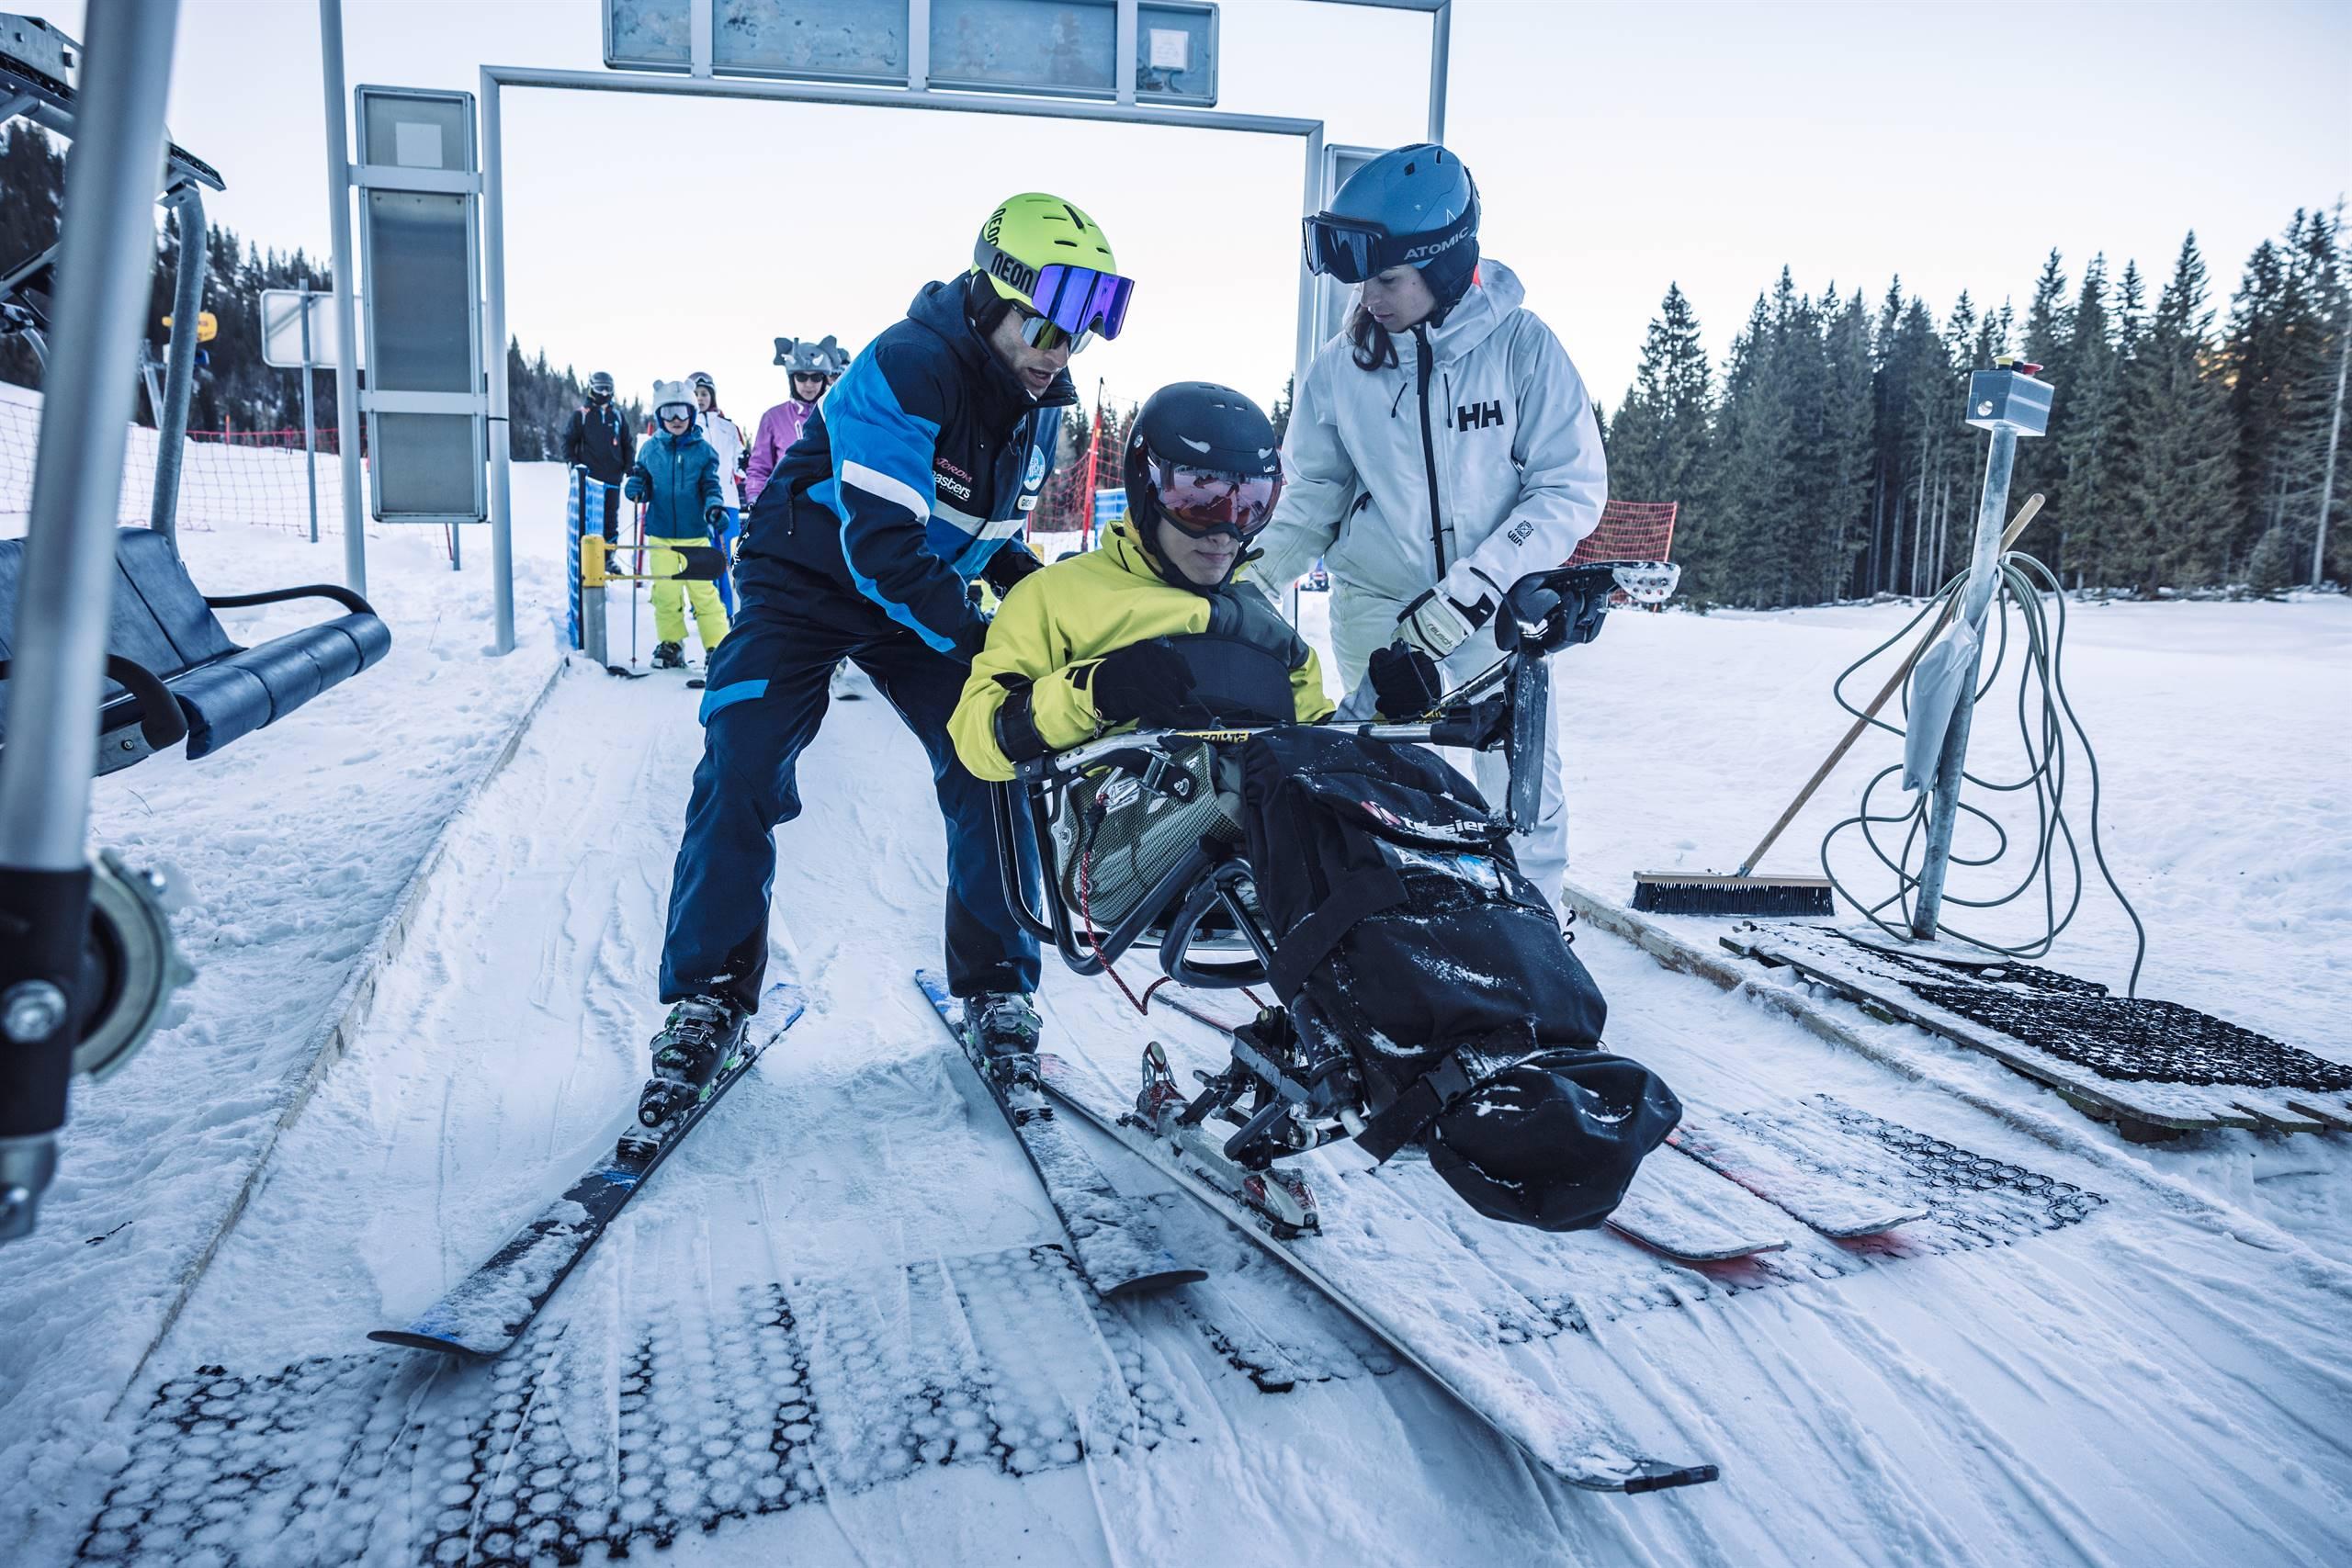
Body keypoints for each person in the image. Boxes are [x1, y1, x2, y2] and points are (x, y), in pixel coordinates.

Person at [639, 192, 1135, 1123]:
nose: (1056, 355)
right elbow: (882, 547)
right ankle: (707, 994)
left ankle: (995, 984)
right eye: (1043, 330)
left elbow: (981, 539)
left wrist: (1054, 604)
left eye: (1073, 341)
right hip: (807, 579)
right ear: (991, 301)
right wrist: (993, 641)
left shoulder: (1029, 403)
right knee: (742, 758)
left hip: (916, 593)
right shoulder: (909, 364)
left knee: (991, 753)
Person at [1250, 142, 1607, 917]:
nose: (1367, 296)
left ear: (1443, 269)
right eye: (1362, 279)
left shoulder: (1522, 348)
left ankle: (1536, 930)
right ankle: (1410, 939)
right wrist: (1247, 578)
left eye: (1386, 279)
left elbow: (1568, 485)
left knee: (1525, 785)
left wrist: (1480, 585)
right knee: (1393, 783)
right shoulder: (1342, 369)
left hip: (1497, 613)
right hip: (1383, 608)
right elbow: (1311, 493)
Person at [952, 382, 1331, 783]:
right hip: (1129, 830)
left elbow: (1326, 751)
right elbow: (978, 740)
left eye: (1250, 505)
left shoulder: (1265, 625)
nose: (1225, 532)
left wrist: (1385, 708)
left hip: (1265, 828)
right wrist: (1096, 692)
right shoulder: (1053, 598)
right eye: (1199, 502)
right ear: (1146, 492)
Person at [623, 381, 729, 669]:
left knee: (703, 593)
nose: (676, 420)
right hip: (660, 534)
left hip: (694, 534)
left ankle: (717, 647)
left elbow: (710, 485)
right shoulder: (649, 450)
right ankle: (671, 644)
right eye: (669, 413)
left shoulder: (703, 451)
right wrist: (636, 488)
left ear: (692, 414)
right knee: (665, 594)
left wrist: (714, 507)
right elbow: (642, 481)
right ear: (659, 416)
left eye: (682, 412)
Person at [746, 335, 848, 505]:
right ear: (791, 379)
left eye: (816, 377)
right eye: (801, 377)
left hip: (831, 506)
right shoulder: (772, 417)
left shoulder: (837, 413)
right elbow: (759, 466)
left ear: (824, 379)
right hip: (785, 505)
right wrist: (756, 498)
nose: (809, 384)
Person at [688, 371, 750, 616]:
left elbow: (739, 466)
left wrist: (743, 466)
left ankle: (730, 608)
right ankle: (704, 608)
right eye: (695, 394)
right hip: (696, 503)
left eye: (704, 394)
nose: (700, 398)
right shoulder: (686, 426)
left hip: (728, 501)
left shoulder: (728, 427)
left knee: (728, 556)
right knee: (702, 555)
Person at [562, 370, 636, 551]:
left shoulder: (617, 416)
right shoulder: (582, 415)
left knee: (610, 520)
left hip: (613, 478)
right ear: (592, 389)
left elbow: (627, 443)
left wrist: (629, 465)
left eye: (607, 389)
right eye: (600, 389)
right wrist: (572, 463)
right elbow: (568, 441)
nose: (604, 393)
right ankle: (588, 557)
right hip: (590, 478)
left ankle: (609, 557)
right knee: (590, 518)